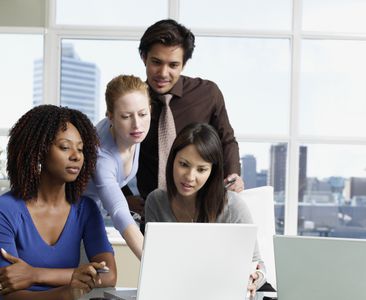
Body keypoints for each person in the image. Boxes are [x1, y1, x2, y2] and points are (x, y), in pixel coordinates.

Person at [0, 105, 116, 299]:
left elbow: (110, 275)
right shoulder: (6, 209)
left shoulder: (86, 209)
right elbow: (8, 289)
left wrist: (34, 274)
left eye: (80, 149)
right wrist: (67, 291)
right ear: (39, 151)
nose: (76, 156)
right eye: (64, 147)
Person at [145, 123, 267, 297]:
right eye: (184, 164)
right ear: (172, 160)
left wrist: (253, 278)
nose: (189, 177)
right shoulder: (156, 201)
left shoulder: (233, 206)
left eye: (201, 169)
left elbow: (257, 263)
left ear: (212, 171)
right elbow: (155, 265)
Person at [136, 19, 244, 204]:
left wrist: (232, 174)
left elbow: (226, 140)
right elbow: (109, 152)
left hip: (203, 206)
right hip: (151, 208)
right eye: (156, 62)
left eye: (173, 65)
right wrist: (126, 197)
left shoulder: (208, 94)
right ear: (144, 57)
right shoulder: (132, 101)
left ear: (184, 64)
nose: (163, 73)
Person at [84, 75, 151, 259]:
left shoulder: (132, 133)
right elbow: (119, 212)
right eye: (126, 116)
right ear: (110, 116)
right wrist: (154, 265)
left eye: (143, 114)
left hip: (94, 213)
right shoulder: (101, 155)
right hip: (71, 219)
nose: (137, 124)